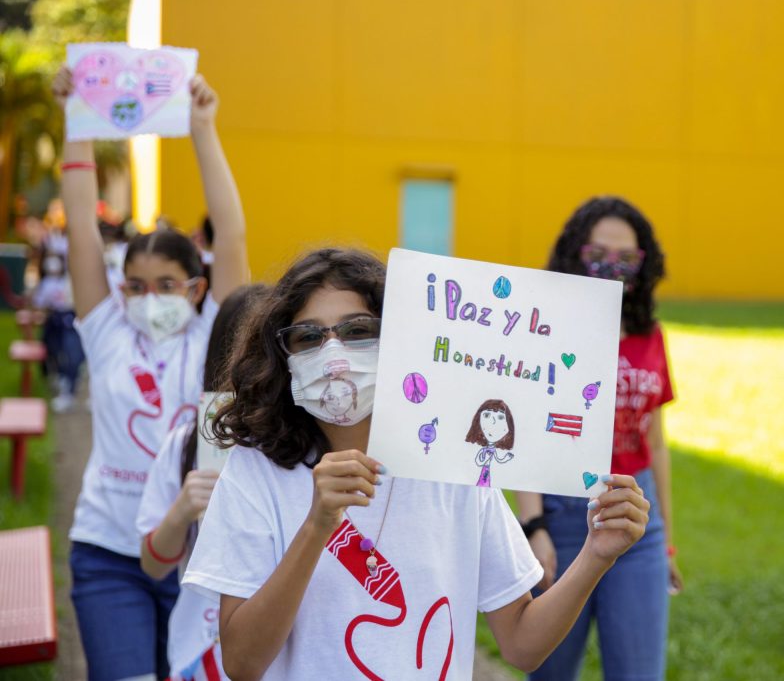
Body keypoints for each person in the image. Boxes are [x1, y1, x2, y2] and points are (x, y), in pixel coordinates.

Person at [182, 247, 651, 680]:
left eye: (358, 330)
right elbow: (241, 663)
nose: (335, 355)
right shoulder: (255, 473)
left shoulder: (454, 466)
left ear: (402, 337)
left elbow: (522, 645)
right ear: (283, 357)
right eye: (308, 337)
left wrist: (595, 555)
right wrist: (316, 526)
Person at [53, 65, 249, 681]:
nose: (148, 298)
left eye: (166, 285)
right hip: (109, 554)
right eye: (135, 285)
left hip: (201, 558)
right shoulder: (107, 328)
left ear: (196, 288)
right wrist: (77, 120)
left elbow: (233, 230)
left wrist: (202, 129)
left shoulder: (217, 334)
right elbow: (81, 224)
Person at [516, 196, 681, 681]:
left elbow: (658, 437)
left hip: (637, 515)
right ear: (575, 255)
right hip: (564, 516)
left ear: (642, 264)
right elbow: (522, 428)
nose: (613, 267)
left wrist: (667, 538)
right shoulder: (544, 328)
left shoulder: (649, 334)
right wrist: (534, 525)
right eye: (599, 255)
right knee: (550, 669)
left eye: (626, 257)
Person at [136, 284, 265, 680]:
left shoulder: (310, 452)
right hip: (200, 648)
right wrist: (181, 512)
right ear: (221, 358)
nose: (260, 370)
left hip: (277, 652)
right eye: (247, 354)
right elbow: (152, 566)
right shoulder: (185, 446)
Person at [31, 247, 84, 412]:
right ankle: (59, 378)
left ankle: (69, 388)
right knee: (53, 349)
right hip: (55, 320)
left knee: (73, 355)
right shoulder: (47, 283)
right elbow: (40, 303)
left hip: (72, 320)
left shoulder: (74, 280)